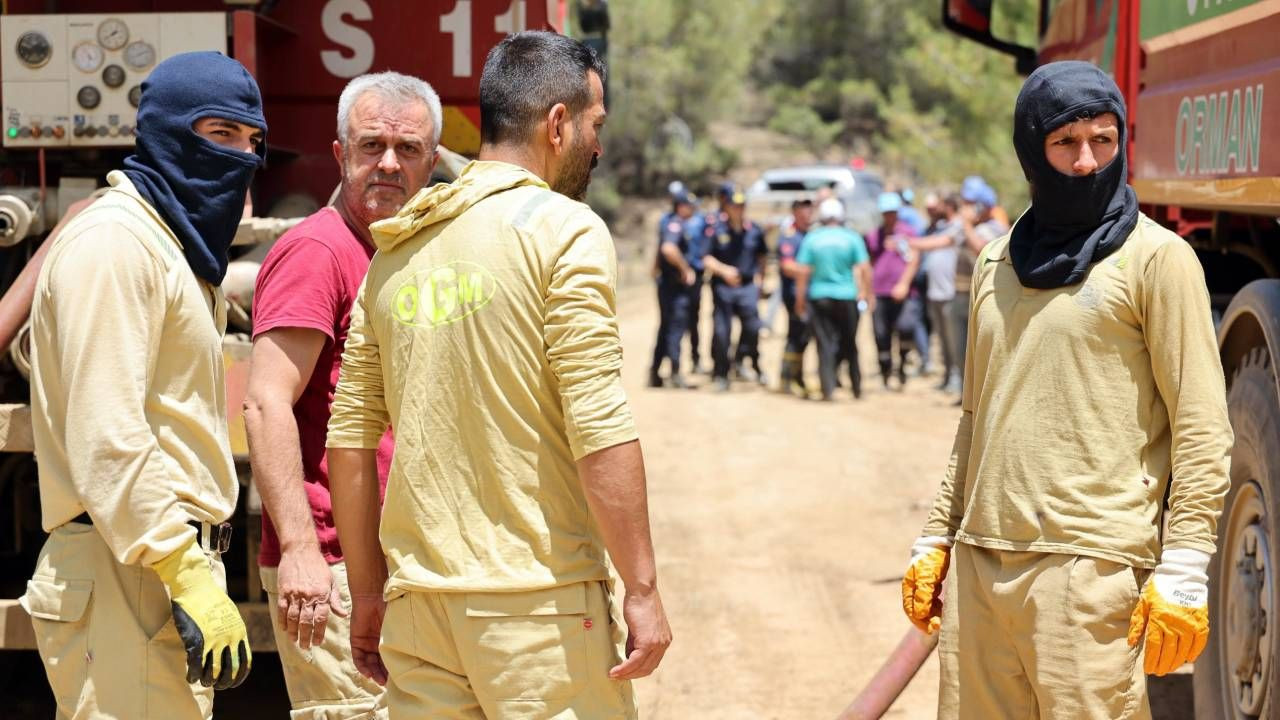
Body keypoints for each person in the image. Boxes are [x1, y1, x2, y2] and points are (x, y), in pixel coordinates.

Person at [326, 31, 671, 718]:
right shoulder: (562, 229)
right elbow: (597, 423)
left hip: (421, 613)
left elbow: (349, 440)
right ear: (558, 124)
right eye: (595, 127)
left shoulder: (396, 249)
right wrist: (641, 587)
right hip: (537, 614)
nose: (597, 147)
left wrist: (368, 595)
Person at [901, 61, 1233, 719]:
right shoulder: (996, 260)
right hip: (980, 563)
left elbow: (1201, 423)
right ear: (1032, 148)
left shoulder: (1157, 260)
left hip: (1090, 569)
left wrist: (1187, 561)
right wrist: (938, 537)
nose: (1086, 162)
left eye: (1103, 141)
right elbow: (977, 415)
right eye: (1065, 142)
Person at [21, 52, 264, 718]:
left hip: (148, 568)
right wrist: (184, 571)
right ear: (165, 133)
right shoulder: (115, 246)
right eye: (220, 135)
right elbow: (109, 435)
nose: (242, 156)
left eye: (251, 142)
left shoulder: (163, 246)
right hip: (128, 570)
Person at [242, 72, 442, 718]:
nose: (388, 163)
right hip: (329, 572)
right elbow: (265, 401)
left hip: (385, 570)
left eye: (407, 149)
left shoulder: (392, 255)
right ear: (339, 155)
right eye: (371, 146)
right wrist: (301, 552)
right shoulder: (317, 253)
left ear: (433, 162)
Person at [793, 198, 871, 401]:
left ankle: (828, 389)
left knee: (824, 344)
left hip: (819, 297)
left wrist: (799, 299)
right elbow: (864, 268)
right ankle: (856, 388)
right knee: (850, 343)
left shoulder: (813, 238)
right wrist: (867, 293)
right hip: (847, 296)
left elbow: (802, 271)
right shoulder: (851, 237)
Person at [704, 188, 768, 391]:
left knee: (753, 327)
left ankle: (743, 360)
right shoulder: (716, 229)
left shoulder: (754, 230)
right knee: (722, 333)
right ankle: (721, 374)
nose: (738, 210)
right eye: (734, 206)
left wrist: (761, 281)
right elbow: (706, 257)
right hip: (723, 287)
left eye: (741, 206)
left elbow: (762, 257)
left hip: (748, 286)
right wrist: (724, 271)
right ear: (727, 207)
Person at [949, 177, 1007, 397]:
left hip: (984, 295)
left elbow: (981, 250)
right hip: (961, 293)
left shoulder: (995, 228)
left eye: (970, 202)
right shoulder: (971, 227)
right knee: (961, 348)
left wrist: (965, 225)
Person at [866, 192, 922, 389]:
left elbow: (914, 259)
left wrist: (904, 284)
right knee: (881, 334)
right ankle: (885, 372)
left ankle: (904, 366)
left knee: (906, 328)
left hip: (902, 292)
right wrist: (868, 291)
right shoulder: (874, 236)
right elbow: (869, 264)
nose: (889, 216)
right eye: (885, 212)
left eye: (892, 212)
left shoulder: (908, 233)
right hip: (880, 292)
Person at [909, 193, 964, 393]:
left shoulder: (958, 226)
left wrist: (910, 242)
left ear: (948, 205)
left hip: (950, 291)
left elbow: (939, 243)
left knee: (954, 341)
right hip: (936, 291)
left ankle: (957, 378)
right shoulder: (940, 225)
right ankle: (947, 375)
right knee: (942, 339)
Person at [648, 189, 697, 388]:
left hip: (666, 284)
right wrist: (685, 270)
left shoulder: (669, 222)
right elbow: (668, 249)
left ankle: (655, 372)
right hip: (673, 285)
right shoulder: (676, 224)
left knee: (665, 327)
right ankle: (675, 373)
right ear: (681, 206)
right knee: (675, 328)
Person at [777, 198, 814, 395]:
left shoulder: (810, 234)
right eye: (803, 209)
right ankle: (786, 379)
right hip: (794, 295)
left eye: (809, 208)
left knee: (804, 337)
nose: (807, 212)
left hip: (810, 294)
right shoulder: (789, 235)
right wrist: (809, 270)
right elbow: (787, 265)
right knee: (795, 336)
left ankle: (797, 377)